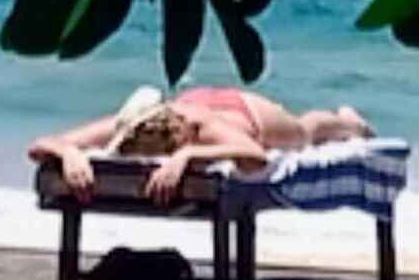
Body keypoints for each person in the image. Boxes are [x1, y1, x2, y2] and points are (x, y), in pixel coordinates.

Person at [27, 83, 374, 205]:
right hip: (194, 100)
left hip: (244, 114)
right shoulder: (131, 126)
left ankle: (348, 122)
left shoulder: (199, 128)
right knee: (303, 131)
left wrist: (188, 154)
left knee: (303, 132)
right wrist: (69, 151)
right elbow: (40, 145)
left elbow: (255, 155)